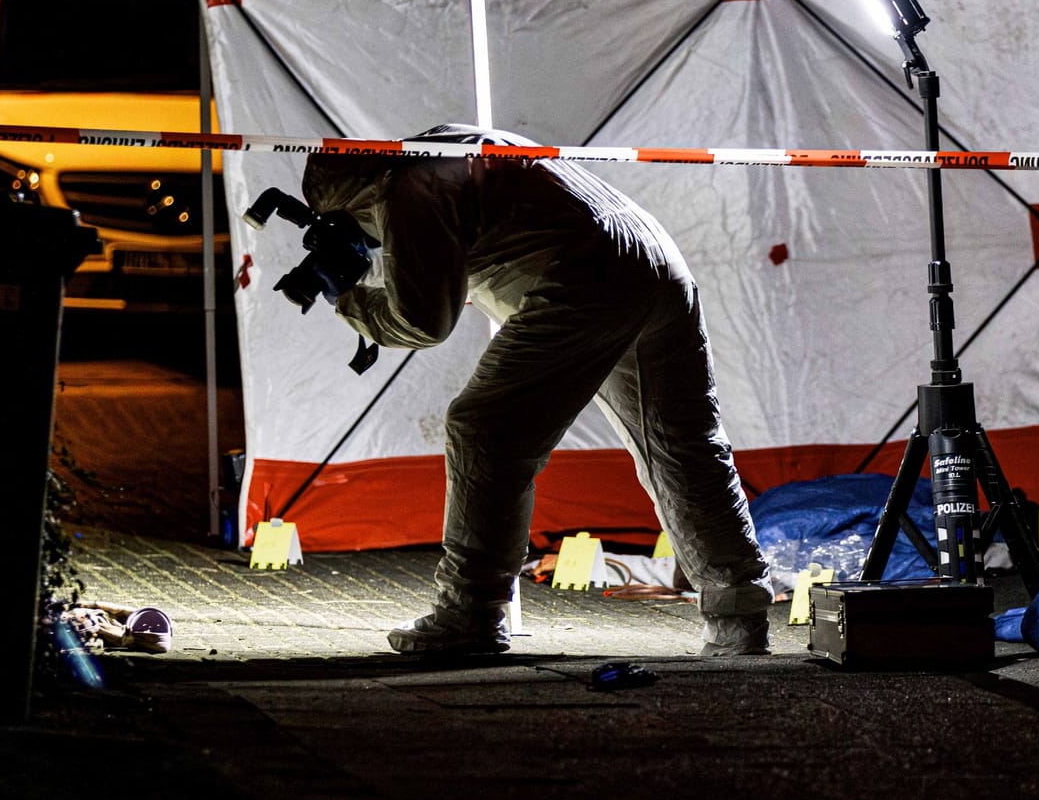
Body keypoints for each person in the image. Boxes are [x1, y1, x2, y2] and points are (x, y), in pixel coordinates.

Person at [300, 123, 773, 657]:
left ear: (349, 203)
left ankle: (470, 614)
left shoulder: (405, 191)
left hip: (583, 275)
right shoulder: (442, 149)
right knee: (686, 446)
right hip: (654, 258)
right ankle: (742, 620)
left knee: (484, 428)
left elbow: (422, 323)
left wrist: (347, 297)